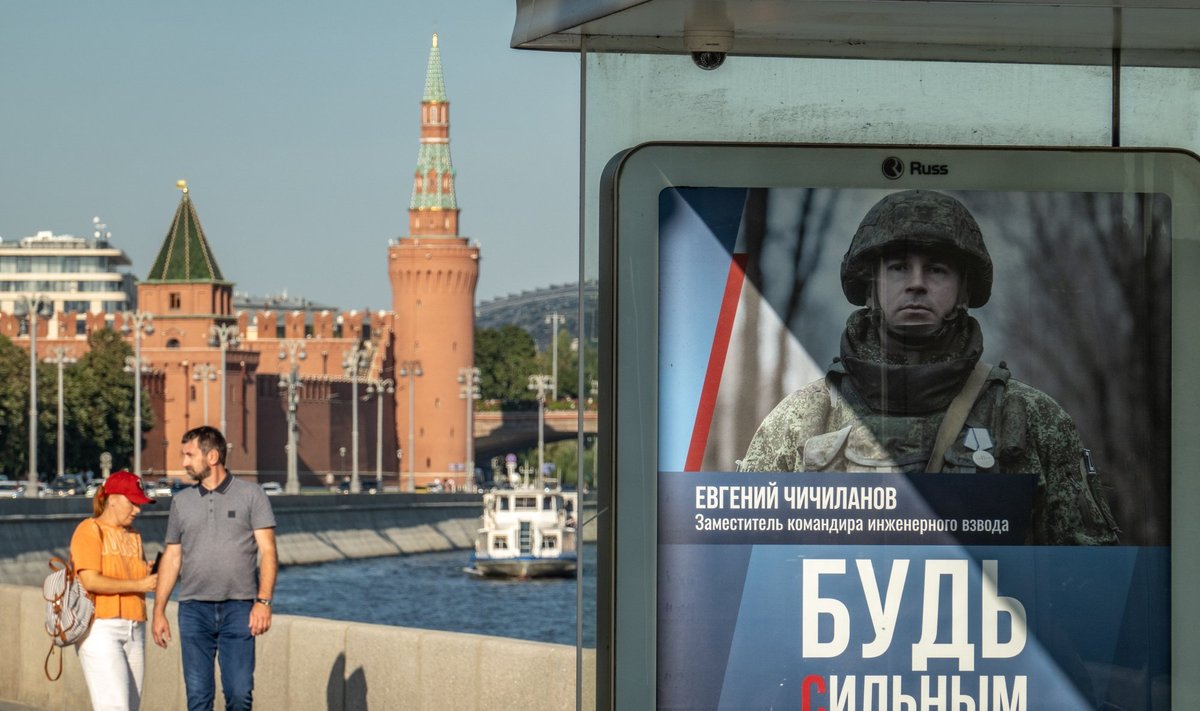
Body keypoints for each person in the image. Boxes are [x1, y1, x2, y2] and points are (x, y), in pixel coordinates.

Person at [739, 189, 1119, 545]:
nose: (917, 284)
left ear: (964, 290)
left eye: (936, 269)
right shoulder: (800, 422)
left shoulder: (1031, 421)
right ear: (871, 287)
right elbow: (739, 571)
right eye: (899, 268)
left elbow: (1086, 584)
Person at [151, 426, 277, 711]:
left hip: (240, 608)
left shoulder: (251, 495)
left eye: (189, 455)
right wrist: (158, 611)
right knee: (198, 699)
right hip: (194, 609)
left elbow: (268, 551)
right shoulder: (181, 502)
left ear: (212, 456)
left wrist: (264, 601)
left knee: (239, 695)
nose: (183, 462)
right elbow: (172, 556)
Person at [70, 470, 159, 711]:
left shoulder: (134, 535)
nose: (137, 510)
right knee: (114, 707)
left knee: (130, 706)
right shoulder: (89, 529)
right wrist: (140, 585)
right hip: (100, 628)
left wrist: (148, 572)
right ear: (113, 499)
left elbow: (130, 574)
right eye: (133, 503)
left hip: (135, 627)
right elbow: (90, 580)